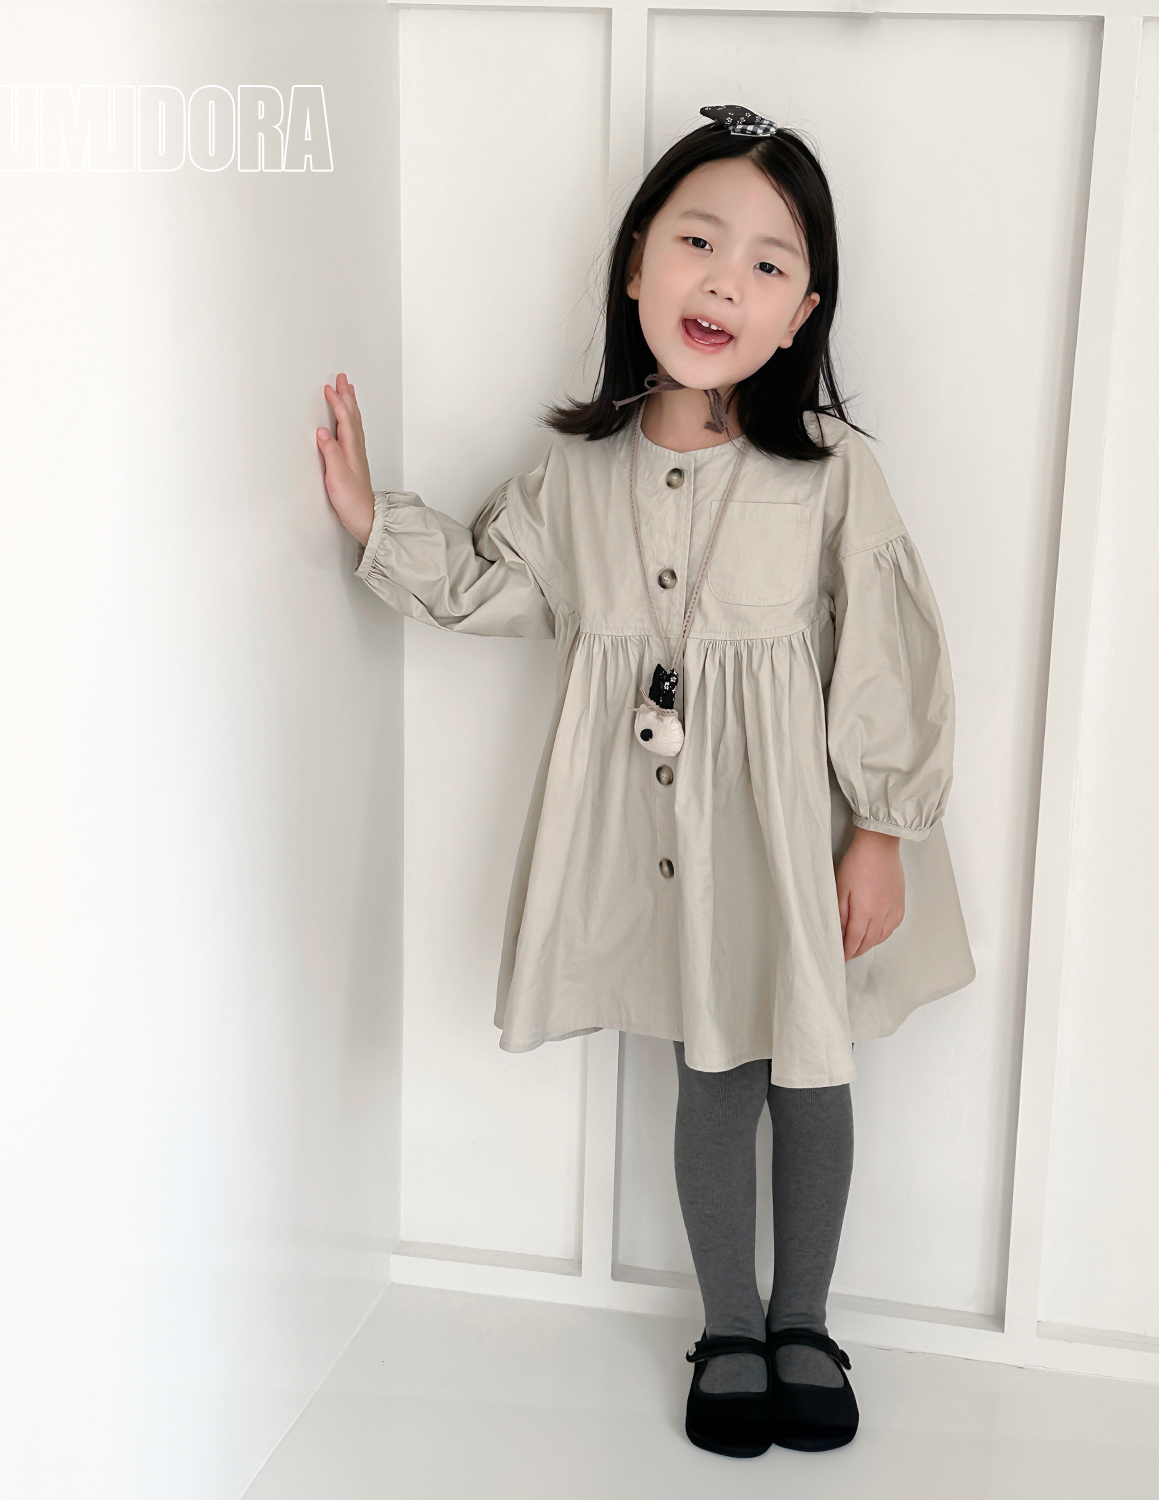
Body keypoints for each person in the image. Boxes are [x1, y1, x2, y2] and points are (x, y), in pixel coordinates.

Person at [316, 104, 975, 1459]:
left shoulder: (829, 472)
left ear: (801, 315)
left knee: (811, 1071)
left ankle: (806, 1321)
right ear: (636, 266)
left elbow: (886, 648)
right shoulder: (578, 473)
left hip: (795, 834)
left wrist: (883, 830)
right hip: (665, 837)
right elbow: (494, 582)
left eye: (769, 263)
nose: (725, 281)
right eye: (697, 241)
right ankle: (730, 1325)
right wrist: (377, 520)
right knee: (710, 1071)